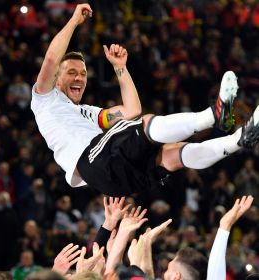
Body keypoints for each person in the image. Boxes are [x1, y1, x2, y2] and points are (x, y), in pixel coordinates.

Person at [31, 3, 259, 196]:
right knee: (147, 124)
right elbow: (51, 58)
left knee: (170, 155)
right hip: (93, 161)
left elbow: (131, 110)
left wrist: (121, 68)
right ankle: (213, 115)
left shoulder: (88, 113)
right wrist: (73, 22)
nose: (79, 78)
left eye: (83, 74)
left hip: (114, 179)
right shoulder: (45, 98)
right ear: (56, 78)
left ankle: (238, 140)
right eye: (71, 72)